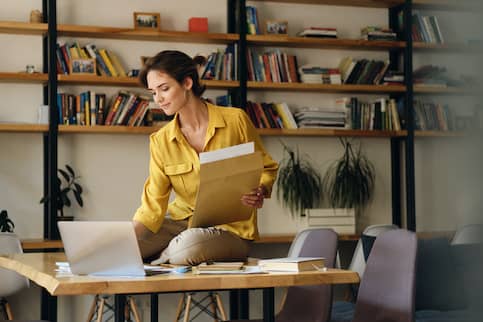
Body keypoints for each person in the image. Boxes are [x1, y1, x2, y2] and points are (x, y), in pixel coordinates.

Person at [133, 50, 279, 265]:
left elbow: (266, 167)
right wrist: (125, 240)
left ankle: (159, 258)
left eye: (164, 89)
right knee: (122, 247)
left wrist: (261, 189)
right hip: (181, 223)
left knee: (189, 245)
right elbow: (152, 205)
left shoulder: (235, 120)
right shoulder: (161, 140)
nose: (159, 99)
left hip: (231, 230)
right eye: (153, 92)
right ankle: (164, 255)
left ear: (187, 83)